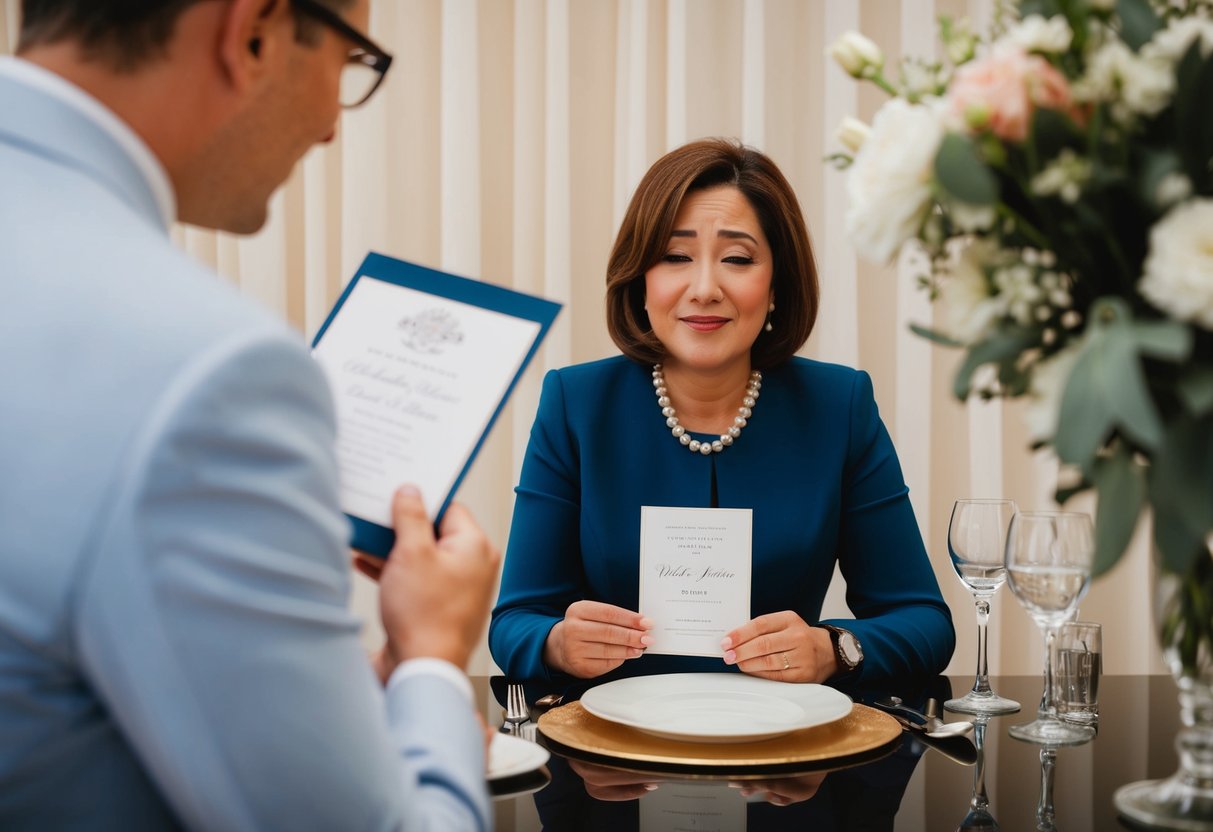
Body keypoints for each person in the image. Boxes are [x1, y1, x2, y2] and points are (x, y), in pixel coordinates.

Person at [0, 1, 499, 830]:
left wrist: (320, 712)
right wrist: (433, 660)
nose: (334, 127)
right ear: (254, 34)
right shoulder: (204, 371)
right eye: (349, 64)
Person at [489, 138, 954, 690]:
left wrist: (833, 648)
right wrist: (557, 643)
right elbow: (513, 622)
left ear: (777, 284)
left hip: (782, 750)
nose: (705, 289)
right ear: (641, 280)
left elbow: (925, 622)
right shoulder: (576, 403)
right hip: (615, 754)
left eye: (737, 259)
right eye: (674, 257)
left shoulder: (838, 407)